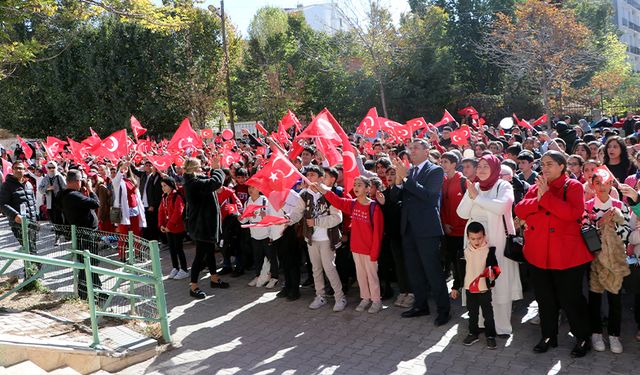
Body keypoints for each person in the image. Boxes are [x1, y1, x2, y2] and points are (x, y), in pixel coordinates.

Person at [514, 150, 593, 358]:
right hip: (538, 254)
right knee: (544, 299)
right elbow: (520, 210)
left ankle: (582, 337)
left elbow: (572, 213)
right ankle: (548, 336)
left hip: (567, 255)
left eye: (550, 164)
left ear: (561, 166)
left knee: (571, 299)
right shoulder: (537, 186)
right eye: (543, 164)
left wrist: (545, 197)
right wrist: (540, 199)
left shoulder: (573, 186)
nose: (545, 168)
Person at [456, 154, 522, 336]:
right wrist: (472, 196)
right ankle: (480, 323)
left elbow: (502, 207)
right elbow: (462, 213)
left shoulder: (504, 186)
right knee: (477, 281)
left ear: (495, 169)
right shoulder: (475, 186)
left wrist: (476, 198)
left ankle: (501, 326)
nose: (482, 170)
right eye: (480, 166)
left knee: (497, 282)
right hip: (475, 245)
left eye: (487, 166)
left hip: (497, 244)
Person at [392, 139, 450, 326]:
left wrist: (406, 179)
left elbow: (430, 197)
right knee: (414, 271)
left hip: (427, 230)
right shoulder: (408, 172)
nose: (412, 151)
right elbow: (395, 198)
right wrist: (399, 182)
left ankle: (443, 310)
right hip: (408, 229)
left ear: (427, 151)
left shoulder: (435, 170)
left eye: (416, 148)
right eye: (410, 148)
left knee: (432, 271)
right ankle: (420, 305)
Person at [315, 176, 385, 313]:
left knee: (372, 276)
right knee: (360, 276)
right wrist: (324, 190)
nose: (356, 187)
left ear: (367, 188)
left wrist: (374, 252)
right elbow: (338, 201)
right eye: (355, 185)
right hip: (356, 248)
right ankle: (365, 298)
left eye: (359, 185)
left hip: (370, 250)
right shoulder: (352, 204)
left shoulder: (374, 208)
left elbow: (378, 233)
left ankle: (376, 301)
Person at [584, 172, 631, 354]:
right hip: (595, 259)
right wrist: (599, 223)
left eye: (605, 183)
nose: (602, 186)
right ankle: (596, 332)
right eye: (597, 183)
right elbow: (584, 232)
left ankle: (614, 335)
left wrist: (615, 225)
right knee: (594, 298)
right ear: (592, 184)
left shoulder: (621, 206)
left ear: (611, 183)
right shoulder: (587, 206)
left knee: (615, 299)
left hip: (615, 260)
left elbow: (627, 232)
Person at [299, 165, 346, 312]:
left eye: (312, 175)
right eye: (308, 175)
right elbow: (296, 212)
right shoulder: (304, 194)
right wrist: (287, 219)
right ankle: (320, 296)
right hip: (312, 239)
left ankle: (340, 297)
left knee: (329, 268)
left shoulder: (329, 195)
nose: (309, 177)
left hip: (327, 239)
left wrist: (317, 222)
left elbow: (337, 218)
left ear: (320, 179)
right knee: (316, 269)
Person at [183, 157, 229, 299]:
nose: (201, 169)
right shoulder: (193, 183)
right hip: (201, 225)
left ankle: (214, 278)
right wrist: (216, 169)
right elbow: (214, 182)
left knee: (210, 253)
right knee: (200, 256)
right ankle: (194, 286)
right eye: (199, 167)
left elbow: (210, 183)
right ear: (194, 169)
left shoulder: (197, 180)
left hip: (206, 225)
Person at [60, 170, 103, 300]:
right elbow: (96, 203)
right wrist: (90, 190)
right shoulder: (74, 196)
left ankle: (95, 289)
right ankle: (87, 293)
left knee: (89, 263)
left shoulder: (62, 195)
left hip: (80, 233)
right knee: (89, 262)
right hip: (86, 234)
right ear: (77, 181)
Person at [460, 222, 500, 350]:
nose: (476, 241)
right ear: (467, 237)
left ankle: (490, 336)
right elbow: (458, 272)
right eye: (473, 239)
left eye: (479, 238)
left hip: (484, 289)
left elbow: (496, 268)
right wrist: (456, 287)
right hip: (469, 289)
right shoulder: (463, 252)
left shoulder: (489, 251)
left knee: (488, 314)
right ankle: (473, 333)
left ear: (484, 236)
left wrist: (493, 274)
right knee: (472, 313)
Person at [440, 152, 468, 299]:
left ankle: (461, 286)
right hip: (448, 229)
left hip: (463, 230)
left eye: (446, 162)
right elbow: (442, 205)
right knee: (451, 259)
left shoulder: (463, 181)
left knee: (462, 261)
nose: (443, 164)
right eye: (442, 161)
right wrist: (444, 223)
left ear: (454, 164)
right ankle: (457, 285)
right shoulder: (442, 181)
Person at [268, 188, 305, 301]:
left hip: (289, 230)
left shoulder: (291, 193)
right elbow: (270, 213)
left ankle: (295, 289)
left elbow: (299, 211)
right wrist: (270, 233)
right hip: (276, 232)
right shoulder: (271, 193)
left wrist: (284, 206)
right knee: (283, 261)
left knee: (292, 261)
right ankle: (287, 285)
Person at [241, 186, 279, 288]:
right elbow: (244, 220)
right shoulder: (247, 202)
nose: (250, 190)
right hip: (254, 234)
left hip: (266, 234)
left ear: (259, 189)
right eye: (249, 187)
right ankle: (259, 276)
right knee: (257, 257)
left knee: (271, 257)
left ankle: (274, 277)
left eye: (253, 187)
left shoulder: (265, 201)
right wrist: (239, 216)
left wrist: (265, 217)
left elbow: (272, 217)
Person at [0, 161, 38, 257]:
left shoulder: (28, 184)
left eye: (21, 168)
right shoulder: (7, 185)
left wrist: (36, 218)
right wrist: (15, 215)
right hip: (18, 224)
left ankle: (31, 270)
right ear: (12, 170)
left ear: (24, 170)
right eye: (16, 168)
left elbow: (32, 201)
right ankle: (33, 269)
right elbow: (2, 204)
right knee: (28, 249)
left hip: (31, 222)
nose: (18, 170)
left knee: (32, 248)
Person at [112, 161, 146, 260]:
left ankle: (138, 254)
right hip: (122, 211)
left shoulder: (132, 180)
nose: (125, 168)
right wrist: (122, 168)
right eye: (122, 167)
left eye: (127, 167)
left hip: (134, 210)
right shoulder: (117, 180)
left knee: (136, 233)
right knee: (123, 234)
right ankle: (122, 256)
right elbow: (117, 179)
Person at [158, 176, 189, 280]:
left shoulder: (177, 197)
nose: (163, 188)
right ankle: (175, 267)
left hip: (177, 227)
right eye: (162, 186)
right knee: (172, 249)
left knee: (179, 248)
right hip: (168, 228)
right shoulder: (164, 197)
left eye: (165, 185)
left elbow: (178, 212)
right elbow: (161, 211)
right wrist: (161, 224)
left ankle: (184, 269)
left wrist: (169, 225)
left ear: (171, 185)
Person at [38, 161, 66, 244]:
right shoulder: (45, 178)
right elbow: (40, 189)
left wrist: (58, 189)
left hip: (59, 201)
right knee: (53, 218)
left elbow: (65, 187)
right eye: (49, 167)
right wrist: (47, 188)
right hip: (50, 201)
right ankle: (58, 234)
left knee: (60, 218)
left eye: (53, 167)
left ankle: (59, 235)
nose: (51, 169)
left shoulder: (59, 176)